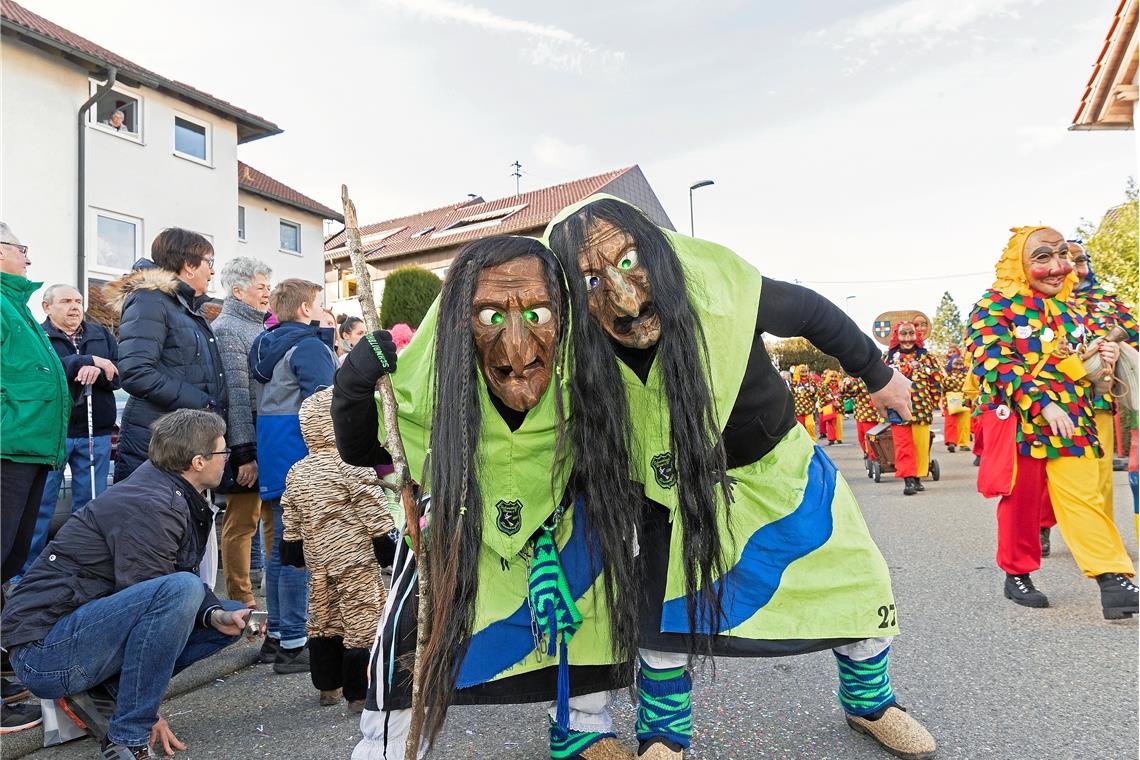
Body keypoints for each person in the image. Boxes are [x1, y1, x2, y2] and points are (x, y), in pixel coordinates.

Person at [546, 196, 934, 760]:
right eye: (590, 278)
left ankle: (870, 703)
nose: (623, 296)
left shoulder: (720, 288)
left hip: (779, 472)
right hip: (671, 490)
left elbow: (810, 313)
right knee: (664, 613)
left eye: (630, 261)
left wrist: (877, 373)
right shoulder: (573, 335)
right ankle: (663, 736)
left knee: (853, 581)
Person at [334, 236, 643, 760]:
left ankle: (582, 720)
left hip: (561, 528)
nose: (519, 351)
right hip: (458, 527)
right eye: (491, 318)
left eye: (540, 313)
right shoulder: (436, 386)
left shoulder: (588, 381)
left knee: (590, 604)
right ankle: (386, 745)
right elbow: (367, 447)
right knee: (415, 633)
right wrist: (354, 386)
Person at [0, 409, 256, 759]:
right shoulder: (151, 504)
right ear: (198, 461)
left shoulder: (166, 488)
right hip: (43, 653)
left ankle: (110, 692)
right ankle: (129, 736)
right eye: (223, 452)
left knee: (228, 616)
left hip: (74, 630)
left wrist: (213, 615)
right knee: (181, 590)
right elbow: (158, 596)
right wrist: (146, 711)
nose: (227, 460)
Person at [967, 226, 1136, 619]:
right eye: (1043, 257)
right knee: (1021, 503)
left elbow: (1076, 366)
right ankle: (1017, 574)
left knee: (1084, 498)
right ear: (1019, 264)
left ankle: (1113, 578)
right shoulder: (994, 305)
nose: (1059, 266)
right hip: (1021, 422)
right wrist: (1041, 403)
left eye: (1063, 255)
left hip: (1072, 418)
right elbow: (992, 363)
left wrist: (1101, 358)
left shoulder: (1072, 308)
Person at [278, 387, 394, 711]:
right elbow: (370, 504)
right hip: (353, 556)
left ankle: (328, 685)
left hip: (318, 559)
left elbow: (291, 511)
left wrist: (293, 547)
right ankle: (360, 692)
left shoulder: (298, 470)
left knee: (323, 618)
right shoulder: (350, 463)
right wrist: (386, 541)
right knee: (363, 617)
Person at [0, 222, 69, 735]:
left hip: (27, 452)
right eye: (21, 248)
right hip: (7, 450)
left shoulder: (14, 305)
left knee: (7, 561)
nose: (27, 256)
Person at [249, 278, 337, 673]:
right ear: (305, 309)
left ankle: (277, 636)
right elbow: (324, 407)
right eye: (320, 304)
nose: (323, 311)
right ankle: (294, 643)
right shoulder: (310, 347)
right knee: (299, 553)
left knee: (278, 548)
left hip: (271, 449)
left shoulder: (262, 345)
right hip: (302, 451)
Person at [107, 228, 227, 483]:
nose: (213, 271)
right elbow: (136, 372)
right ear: (189, 265)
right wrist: (202, 404)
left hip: (179, 439)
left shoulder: (183, 307)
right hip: (155, 442)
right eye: (210, 262)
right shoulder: (149, 300)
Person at [21, 284, 121, 579]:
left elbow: (119, 376)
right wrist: (84, 362)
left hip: (96, 432)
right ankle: (27, 573)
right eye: (65, 301)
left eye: (78, 301)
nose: (74, 307)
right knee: (40, 507)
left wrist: (98, 370)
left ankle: (81, 569)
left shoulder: (101, 334)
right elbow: (39, 372)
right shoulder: (36, 335)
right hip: (53, 433)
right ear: (47, 307)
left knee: (90, 505)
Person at [211, 257, 274, 608]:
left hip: (265, 434)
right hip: (247, 438)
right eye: (261, 287)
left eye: (268, 287)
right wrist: (244, 453)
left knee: (269, 518)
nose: (268, 293)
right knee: (241, 522)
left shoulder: (259, 327)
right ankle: (240, 598)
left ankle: (267, 592)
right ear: (238, 290)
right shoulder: (228, 329)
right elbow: (236, 396)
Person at [1067, 240, 1138, 524]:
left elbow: (1133, 335)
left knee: (1099, 472)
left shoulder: (1109, 301)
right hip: (1055, 400)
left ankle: (1102, 536)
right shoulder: (1039, 304)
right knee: (1053, 470)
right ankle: (1044, 526)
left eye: (1079, 261)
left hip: (1099, 398)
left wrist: (1118, 347)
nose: (1074, 267)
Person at [885, 321, 942, 496]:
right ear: (897, 336)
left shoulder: (927, 357)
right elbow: (880, 383)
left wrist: (935, 401)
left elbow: (936, 381)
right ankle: (908, 479)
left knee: (921, 445)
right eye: (904, 334)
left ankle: (918, 476)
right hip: (897, 407)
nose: (908, 338)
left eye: (911, 334)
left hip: (922, 407)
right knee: (903, 445)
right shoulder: (888, 358)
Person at [846, 375, 883, 462]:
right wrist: (846, 385)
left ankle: (873, 456)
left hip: (869, 414)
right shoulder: (858, 380)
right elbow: (849, 393)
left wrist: (848, 386)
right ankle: (868, 453)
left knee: (870, 437)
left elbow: (852, 392)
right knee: (862, 437)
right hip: (862, 414)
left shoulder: (864, 380)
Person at [941, 354, 971, 453]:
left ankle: (964, 443)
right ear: (951, 364)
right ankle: (951, 442)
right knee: (950, 423)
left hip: (964, 401)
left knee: (964, 424)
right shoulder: (947, 377)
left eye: (960, 364)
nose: (958, 367)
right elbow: (943, 389)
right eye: (955, 364)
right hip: (950, 402)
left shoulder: (966, 376)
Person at [817, 368, 844, 445]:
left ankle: (839, 438)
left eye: (835, 377)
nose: (833, 379)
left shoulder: (840, 386)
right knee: (830, 422)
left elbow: (844, 394)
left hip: (838, 407)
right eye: (831, 377)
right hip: (829, 407)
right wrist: (831, 402)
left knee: (838, 422)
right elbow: (821, 396)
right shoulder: (823, 386)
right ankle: (831, 439)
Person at [790, 364, 817, 438]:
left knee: (810, 425)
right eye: (802, 372)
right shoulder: (794, 382)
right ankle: (803, 443)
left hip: (809, 407)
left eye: (806, 372)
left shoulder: (811, 381)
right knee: (801, 428)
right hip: (799, 408)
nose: (804, 374)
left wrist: (813, 390)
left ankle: (812, 442)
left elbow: (815, 393)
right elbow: (791, 393)